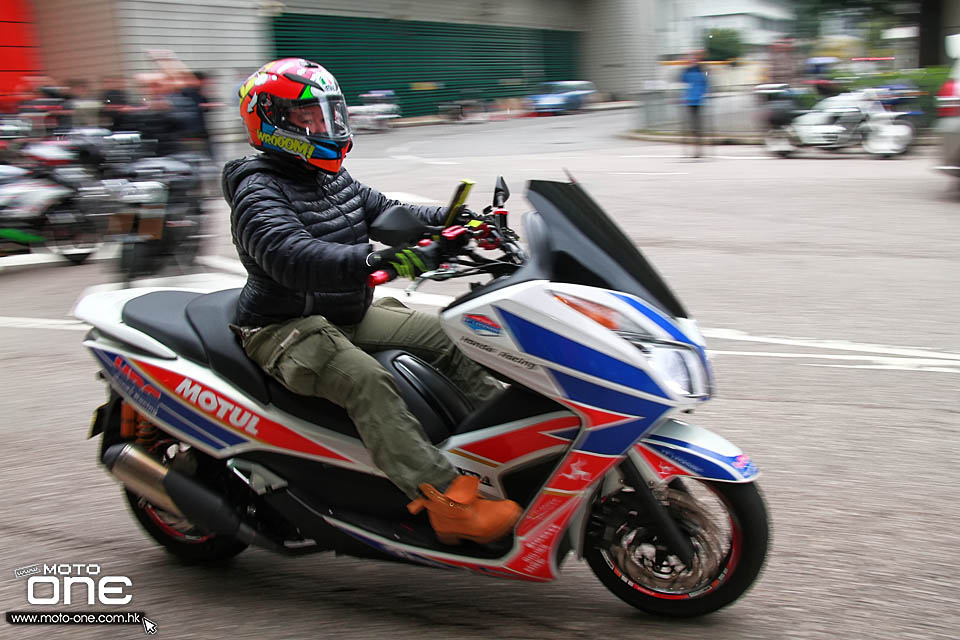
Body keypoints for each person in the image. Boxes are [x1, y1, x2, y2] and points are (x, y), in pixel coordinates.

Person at [221, 58, 521, 545]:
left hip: (344, 312)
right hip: (281, 326)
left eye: (328, 115)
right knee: (368, 381)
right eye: (310, 119)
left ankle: (504, 449)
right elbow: (291, 256)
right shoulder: (257, 190)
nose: (325, 127)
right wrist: (379, 260)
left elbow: (386, 212)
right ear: (273, 121)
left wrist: (460, 219)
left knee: (450, 334)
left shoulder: (328, 176)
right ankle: (449, 505)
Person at [680, 51, 709, 158]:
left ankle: (698, 149)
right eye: (690, 60)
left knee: (697, 126)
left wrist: (704, 93)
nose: (692, 61)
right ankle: (696, 149)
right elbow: (682, 79)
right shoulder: (688, 71)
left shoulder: (701, 70)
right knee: (693, 126)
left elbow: (706, 82)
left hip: (698, 100)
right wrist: (686, 67)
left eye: (693, 59)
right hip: (689, 100)